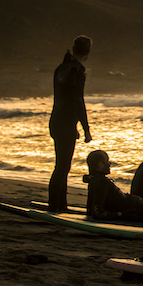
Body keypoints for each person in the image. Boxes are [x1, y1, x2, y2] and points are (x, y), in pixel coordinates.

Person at [48, 35, 92, 213]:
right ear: (88, 52)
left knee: (61, 166)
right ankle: (55, 207)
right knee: (63, 167)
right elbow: (77, 101)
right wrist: (86, 129)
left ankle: (60, 205)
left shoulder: (61, 68)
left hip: (56, 120)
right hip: (66, 124)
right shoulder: (77, 70)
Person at [83, 150, 143, 222]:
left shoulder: (95, 181)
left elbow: (92, 210)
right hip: (141, 208)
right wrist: (122, 215)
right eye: (107, 161)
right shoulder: (101, 183)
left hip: (139, 203)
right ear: (100, 165)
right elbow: (97, 213)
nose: (109, 164)